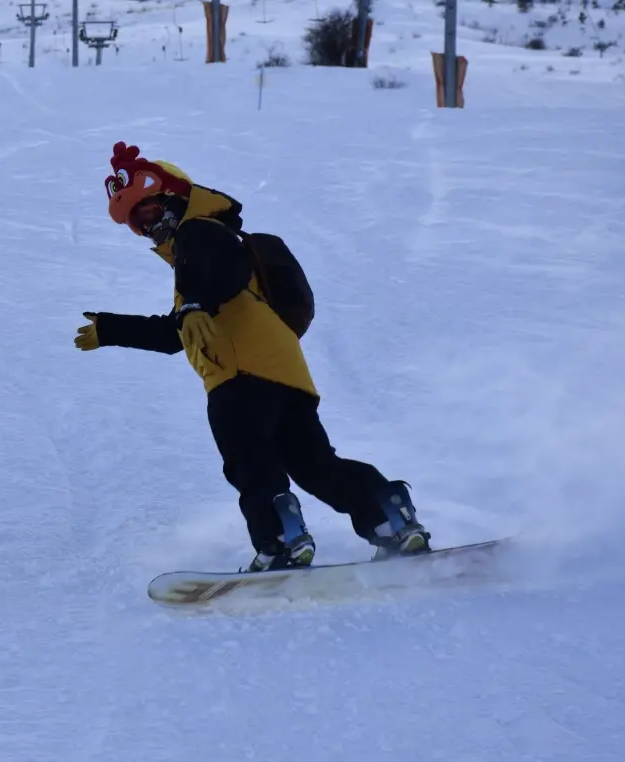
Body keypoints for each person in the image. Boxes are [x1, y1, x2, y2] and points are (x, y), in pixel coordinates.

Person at [74, 142, 432, 571]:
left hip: (239, 376)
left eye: (149, 211)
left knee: (249, 461)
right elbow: (177, 333)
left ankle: (280, 541)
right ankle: (390, 518)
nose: (149, 226)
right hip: (285, 373)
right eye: (138, 223)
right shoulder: (204, 257)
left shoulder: (199, 233)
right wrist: (113, 329)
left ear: (175, 197)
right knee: (316, 466)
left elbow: (224, 273)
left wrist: (194, 304)